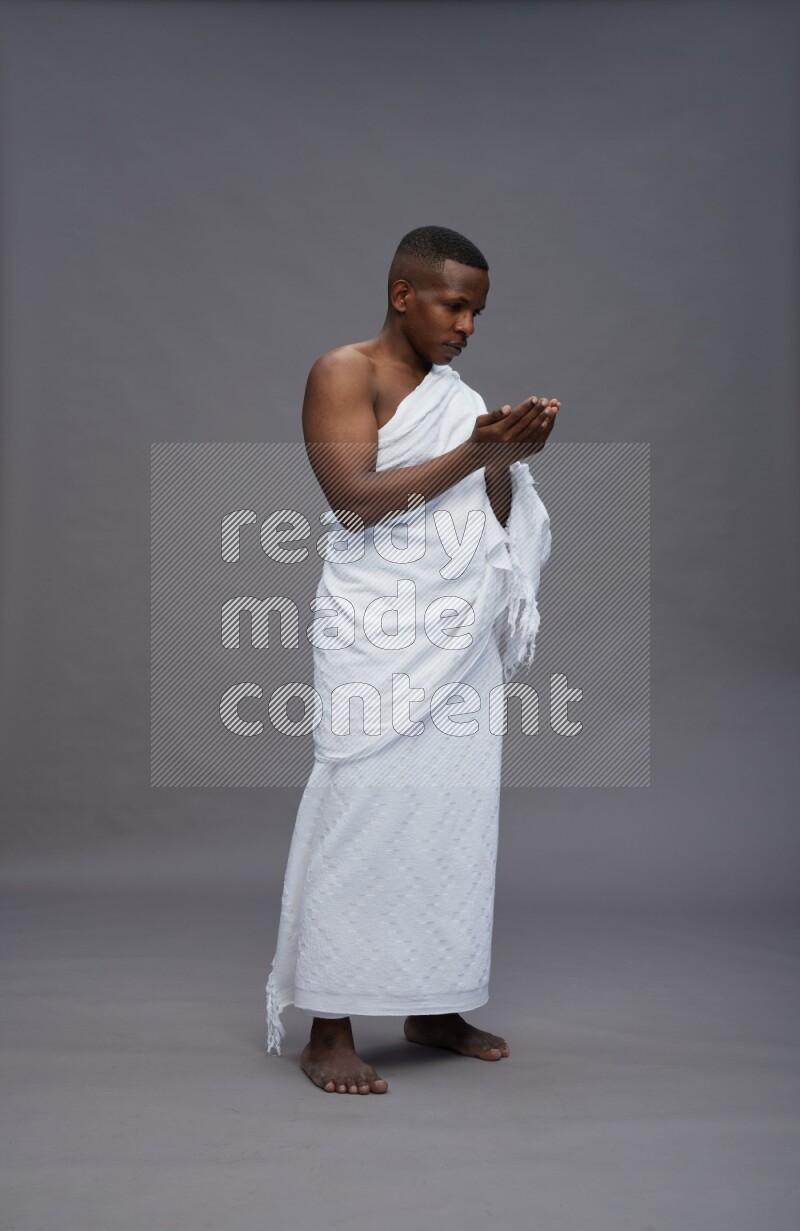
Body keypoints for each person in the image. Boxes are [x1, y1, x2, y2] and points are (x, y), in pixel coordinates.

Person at [265, 225, 558, 1094]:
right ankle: (329, 1026)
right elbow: (353, 500)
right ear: (404, 295)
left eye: (477, 313)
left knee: (452, 821)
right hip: (377, 632)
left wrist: (504, 460)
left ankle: (435, 1003)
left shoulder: (460, 398)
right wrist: (476, 449)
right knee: (362, 814)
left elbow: (489, 515)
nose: (467, 326)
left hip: (456, 641)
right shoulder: (342, 372)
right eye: (455, 305)